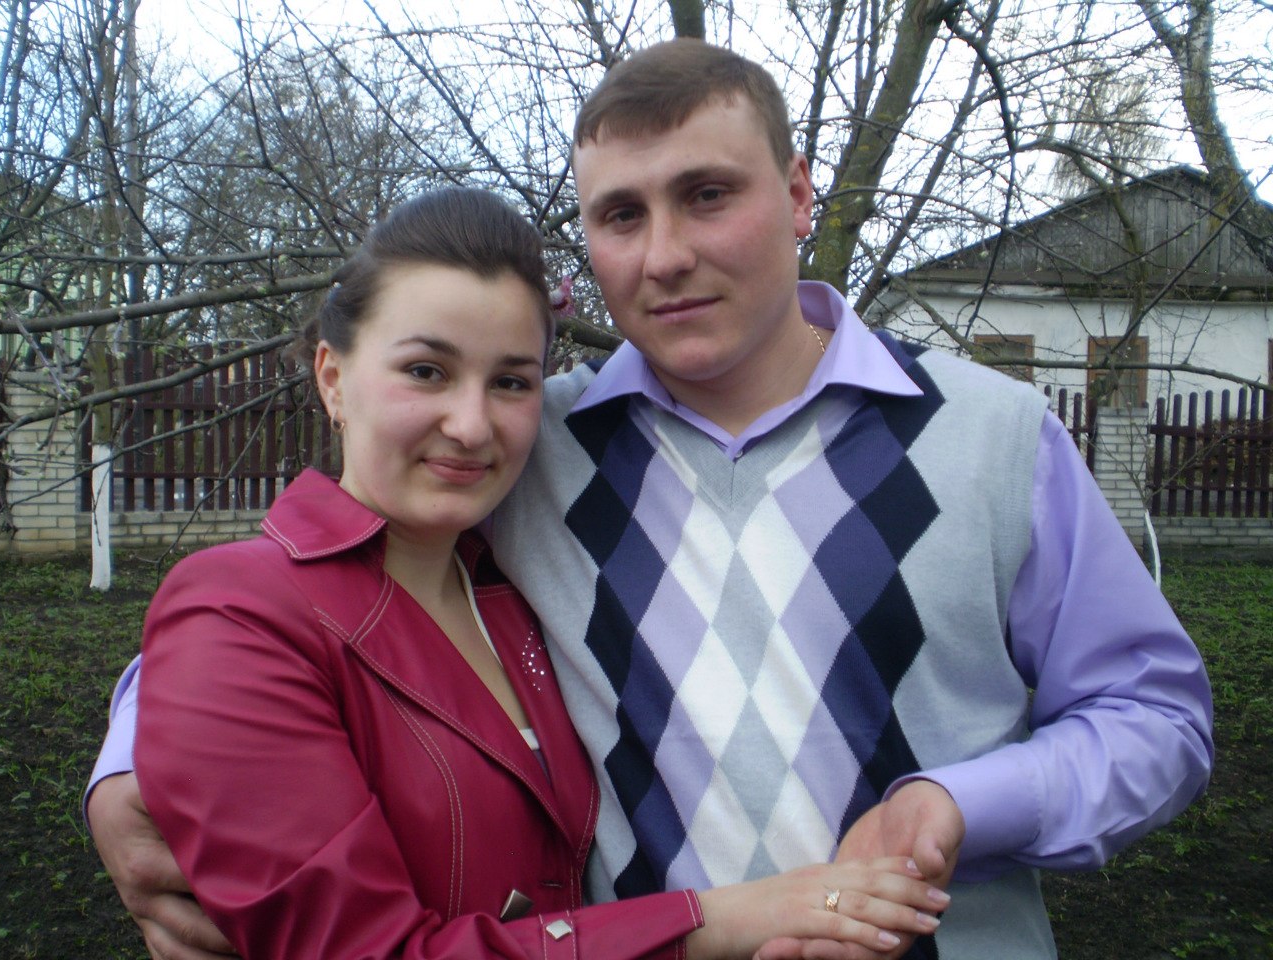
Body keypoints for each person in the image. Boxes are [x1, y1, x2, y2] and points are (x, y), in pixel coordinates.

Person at [89, 41, 1214, 960]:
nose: (664, 255)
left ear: (797, 194)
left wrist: (963, 803)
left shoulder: (991, 435)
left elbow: (1156, 715)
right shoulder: (535, 444)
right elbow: (304, 596)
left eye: (706, 196)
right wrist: (131, 762)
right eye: (620, 215)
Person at [111, 185, 947, 960]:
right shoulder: (235, 607)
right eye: (426, 371)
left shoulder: (522, 582)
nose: (472, 425)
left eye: (511, 381)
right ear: (333, 377)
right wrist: (721, 917)